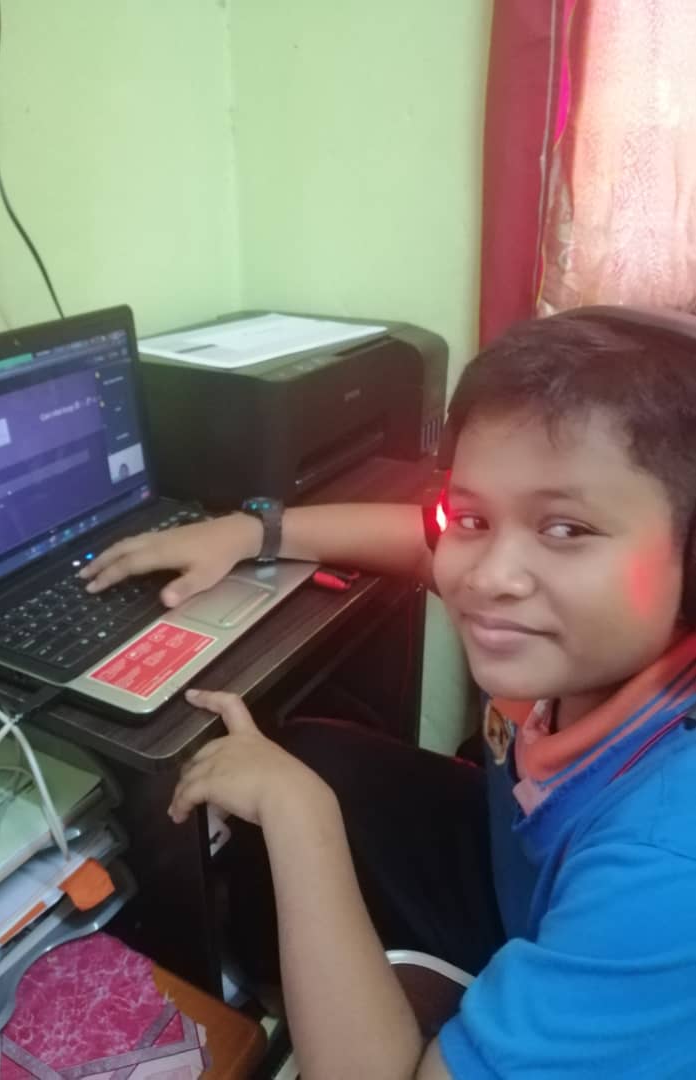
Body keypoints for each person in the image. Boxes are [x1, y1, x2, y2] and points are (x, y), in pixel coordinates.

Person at [80, 313, 696, 1079]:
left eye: (565, 529)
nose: (487, 576)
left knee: (300, 793)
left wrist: (299, 816)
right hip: (524, 873)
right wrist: (248, 533)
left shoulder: (666, 870)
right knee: (314, 752)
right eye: (472, 518)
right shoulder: (593, 643)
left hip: (585, 916)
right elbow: (421, 538)